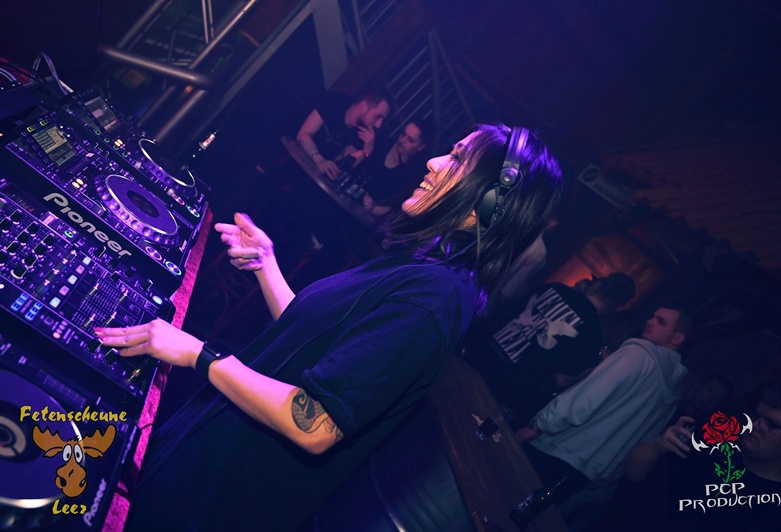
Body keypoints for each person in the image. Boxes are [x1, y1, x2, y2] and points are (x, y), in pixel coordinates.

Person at [94, 123, 563, 530]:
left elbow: (317, 423)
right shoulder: (425, 270)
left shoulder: (433, 301)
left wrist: (200, 354)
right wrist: (266, 265)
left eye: (457, 159)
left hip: (217, 497)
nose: (434, 162)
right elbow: (315, 342)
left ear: (489, 204)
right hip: (205, 460)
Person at [515, 307, 692, 513]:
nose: (649, 321)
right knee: (522, 516)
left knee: (498, 494)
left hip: (557, 449)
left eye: (661, 322)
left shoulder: (639, 354)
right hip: (585, 475)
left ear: (677, 338)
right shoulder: (673, 394)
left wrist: (539, 425)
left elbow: (587, 398)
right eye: (652, 316)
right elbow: (636, 445)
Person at [465, 273, 636, 429]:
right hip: (503, 385)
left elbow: (510, 309)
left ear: (598, 285)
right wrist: (597, 367)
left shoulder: (555, 288)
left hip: (480, 353)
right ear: (618, 308)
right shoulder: (592, 334)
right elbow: (562, 379)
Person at [620, 385, 781, 531]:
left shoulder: (779, 511)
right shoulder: (713, 448)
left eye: (771, 424)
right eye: (756, 416)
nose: (754, 425)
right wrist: (657, 445)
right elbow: (632, 474)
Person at [296, 88, 392, 179]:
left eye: (382, 120)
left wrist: (365, 152)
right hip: (295, 155)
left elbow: (339, 169)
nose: (378, 125)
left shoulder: (362, 134)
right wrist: (319, 159)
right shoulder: (334, 101)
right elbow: (303, 135)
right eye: (377, 117)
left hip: (314, 176)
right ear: (362, 107)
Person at [358, 118, 432, 216]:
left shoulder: (412, 175)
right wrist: (367, 153)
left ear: (421, 147)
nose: (402, 140)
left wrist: (381, 208)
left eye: (410, 140)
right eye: (403, 134)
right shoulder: (381, 143)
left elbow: (395, 204)